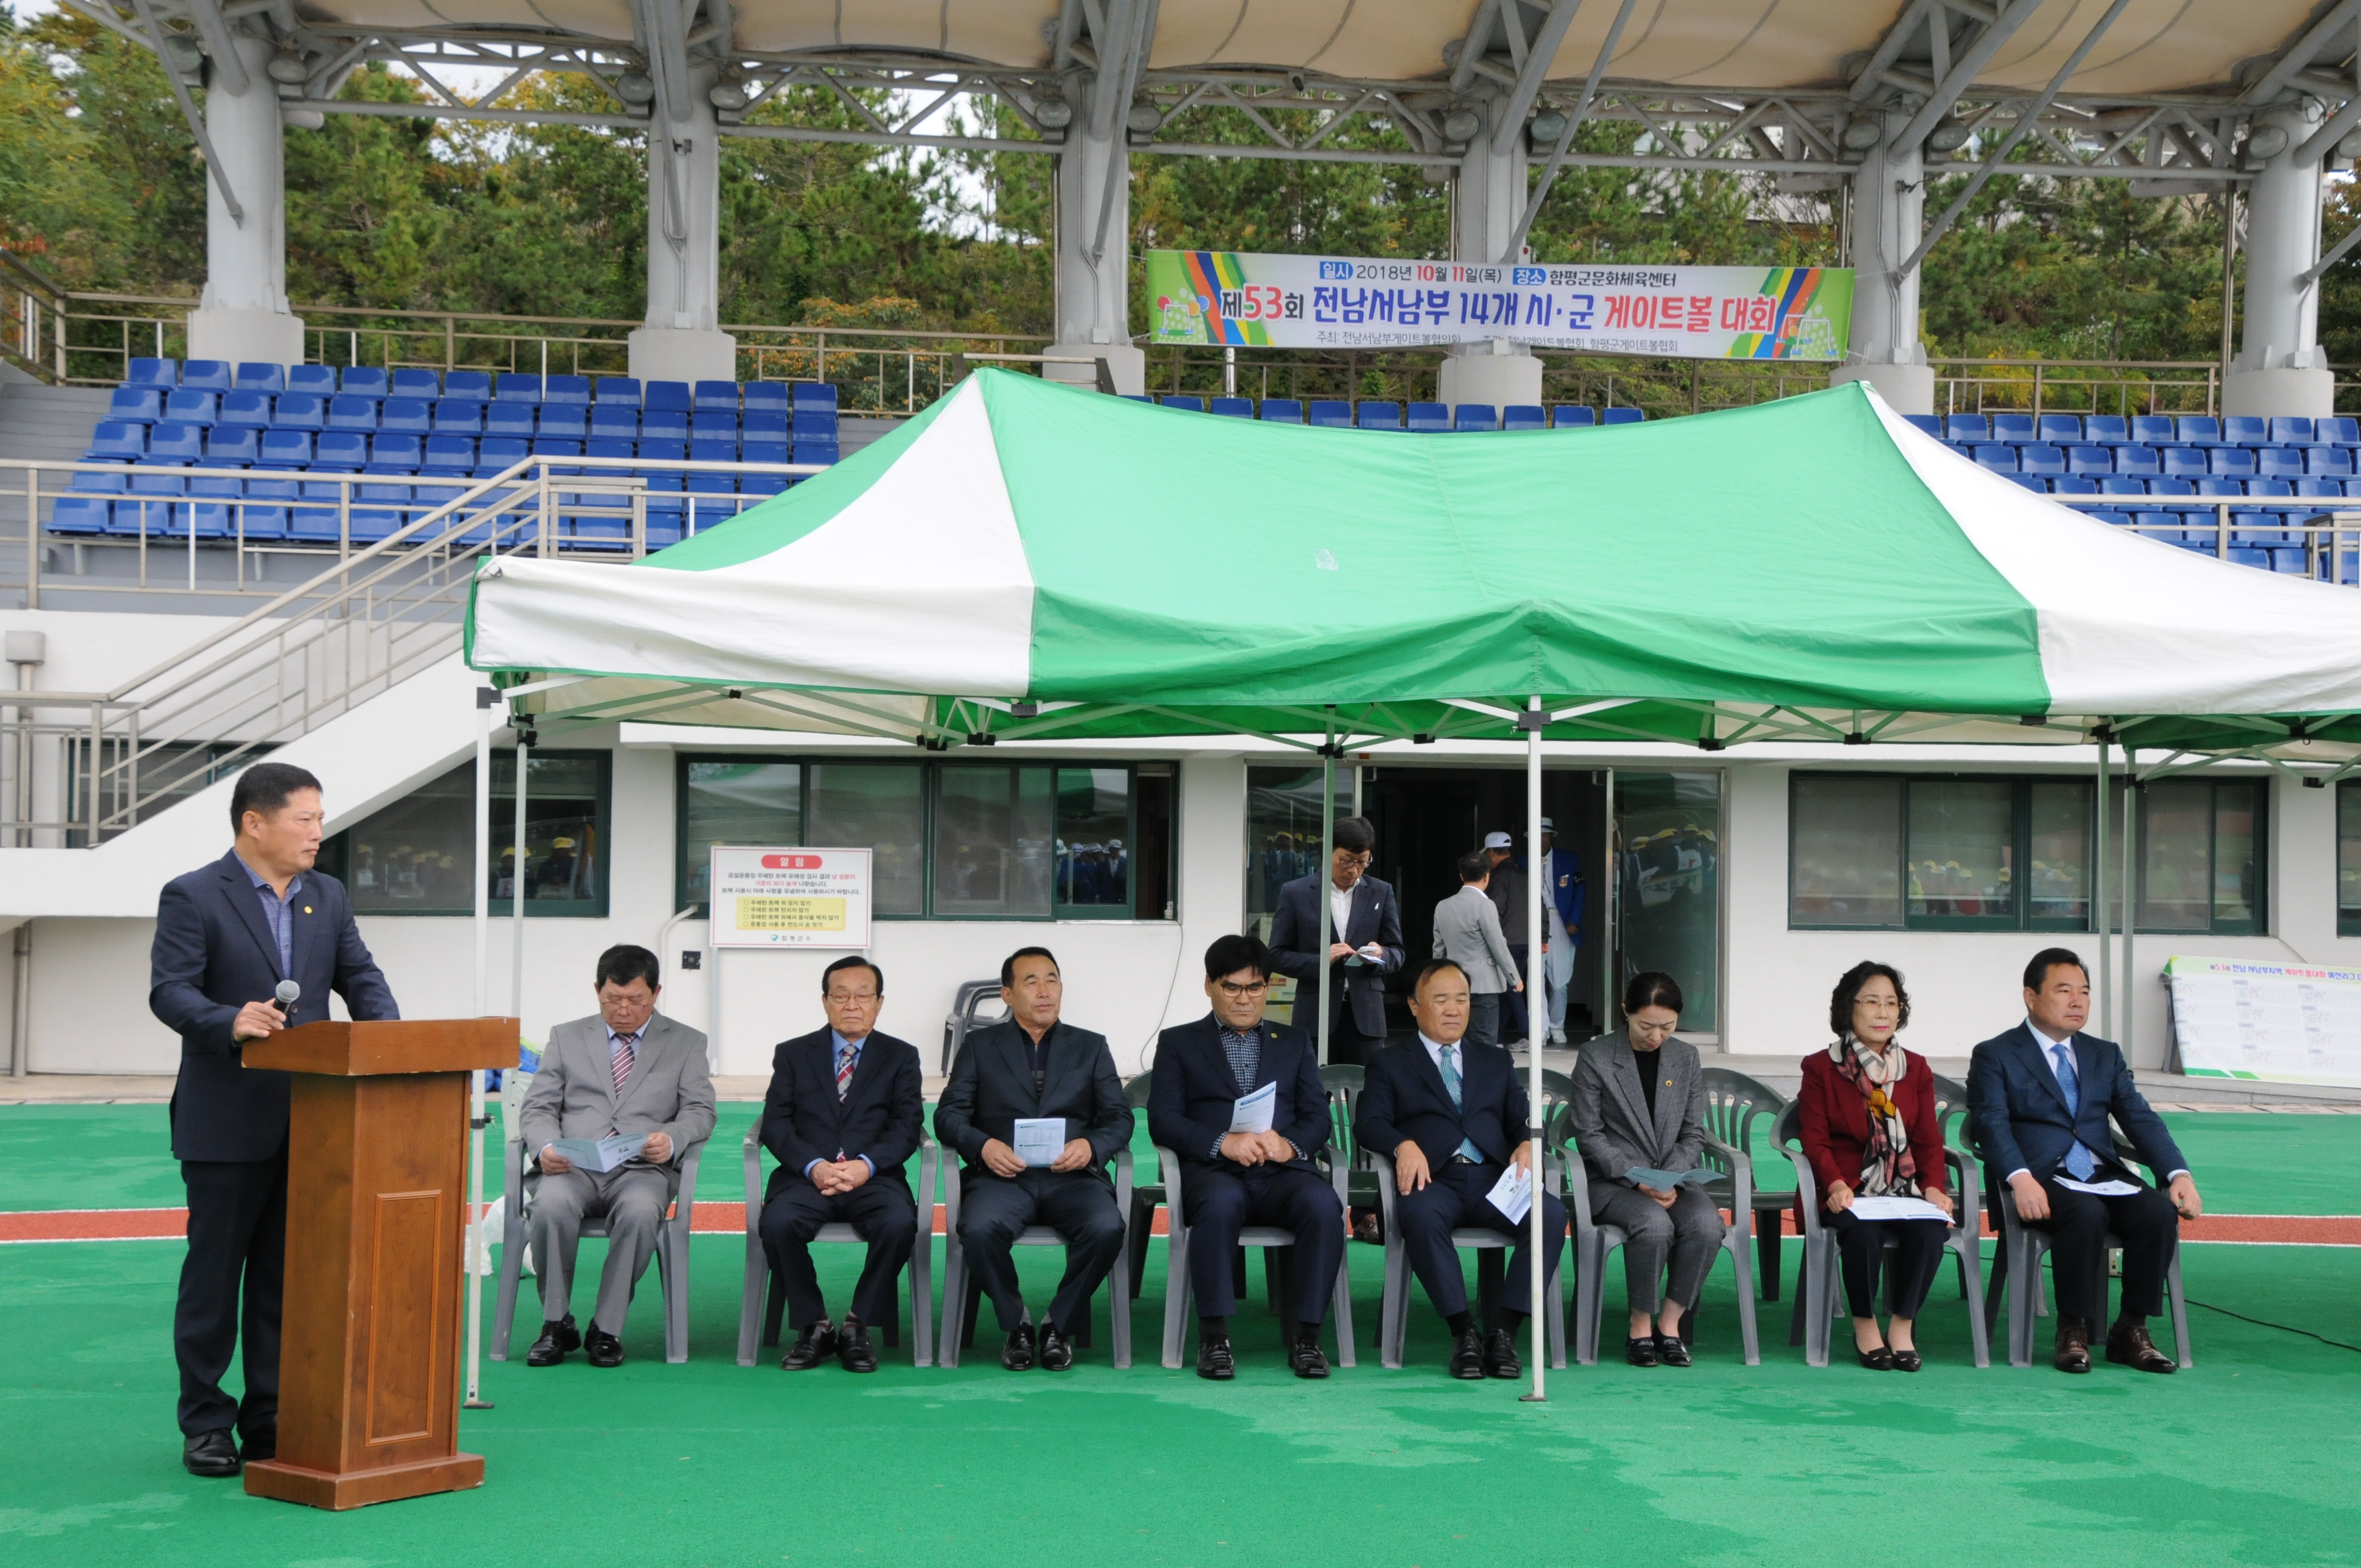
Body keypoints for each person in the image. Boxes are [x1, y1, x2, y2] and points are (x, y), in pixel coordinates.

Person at [149, 761, 399, 1478]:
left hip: (315, 1122)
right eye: (305, 819)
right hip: (226, 1121)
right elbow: (169, 991)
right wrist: (229, 1020)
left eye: (321, 819)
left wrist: (392, 1044)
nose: (319, 833)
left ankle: (269, 1418)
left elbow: (362, 980)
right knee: (213, 1279)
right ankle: (205, 1422)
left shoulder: (328, 894)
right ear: (255, 823)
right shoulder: (194, 894)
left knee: (285, 1282)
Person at [1968, 948, 2201, 1375]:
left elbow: (2139, 1118)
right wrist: (2019, 1179)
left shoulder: (2103, 1054)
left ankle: (2130, 1329)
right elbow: (1991, 1124)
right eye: (2064, 991)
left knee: (2156, 1210)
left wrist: (2176, 1173)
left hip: (2100, 1173)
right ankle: (2072, 1329)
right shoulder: (1996, 1053)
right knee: (2086, 1212)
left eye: (2085, 992)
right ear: (2031, 996)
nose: (2078, 1001)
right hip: (2039, 1178)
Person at [1354, 959, 1568, 1380]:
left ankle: (1504, 1333)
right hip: (1434, 1179)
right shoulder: (1390, 1062)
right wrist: (1403, 1144)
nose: (1454, 1009)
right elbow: (1369, 1122)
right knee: (1418, 1215)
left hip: (1494, 1178)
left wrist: (1527, 1141)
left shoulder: (1494, 1060)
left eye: (1463, 999)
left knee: (1550, 1213)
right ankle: (1463, 1332)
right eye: (1441, 999)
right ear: (1415, 1006)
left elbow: (1519, 1117)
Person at [1147, 933, 1343, 1380]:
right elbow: (1164, 1120)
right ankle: (1214, 1337)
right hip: (1215, 1171)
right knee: (1220, 1206)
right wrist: (1222, 1142)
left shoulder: (1293, 1042)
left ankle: (1307, 1336)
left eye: (1255, 987)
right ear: (1209, 986)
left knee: (1323, 1205)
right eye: (1231, 987)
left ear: (1269, 988)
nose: (1244, 998)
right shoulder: (1179, 1042)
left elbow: (1317, 1117)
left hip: (1283, 1170)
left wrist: (1287, 1144)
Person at [934, 947, 1133, 1371]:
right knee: (980, 1228)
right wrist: (985, 1146)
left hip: (1073, 1177)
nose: (1045, 992)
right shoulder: (980, 1046)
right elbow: (949, 1115)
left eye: (1052, 980)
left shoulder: (1090, 1047)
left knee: (1106, 1227)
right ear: (1007, 995)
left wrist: (1092, 1147)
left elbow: (1118, 1117)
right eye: (1031, 982)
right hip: (1004, 1178)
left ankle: (1058, 1324)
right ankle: (1017, 1324)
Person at [518, 944, 716, 1368]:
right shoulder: (566, 1037)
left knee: (643, 1212)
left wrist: (673, 1138)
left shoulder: (685, 1042)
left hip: (641, 1169)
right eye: (613, 1000)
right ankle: (556, 1323)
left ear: (656, 993)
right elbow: (538, 1107)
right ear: (597, 991)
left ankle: (606, 1329)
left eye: (636, 1001)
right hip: (574, 1165)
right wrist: (546, 1147)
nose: (624, 1010)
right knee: (549, 1206)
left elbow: (701, 1110)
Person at [757, 955, 924, 1374]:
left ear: (879, 1002)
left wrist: (866, 1165)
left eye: (863, 995)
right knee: (777, 1223)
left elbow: (908, 1127)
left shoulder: (901, 1056)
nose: (852, 1004)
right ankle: (814, 1324)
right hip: (806, 1177)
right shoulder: (793, 1054)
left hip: (874, 1178)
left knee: (899, 1223)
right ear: (825, 1001)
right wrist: (814, 1165)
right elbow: (776, 1124)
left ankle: (857, 1325)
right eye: (841, 995)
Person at [1797, 962, 1955, 1371]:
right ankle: (1865, 1324)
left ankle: (1902, 1325)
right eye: (1872, 1002)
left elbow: (1927, 1140)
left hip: (1903, 1190)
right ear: (1848, 1009)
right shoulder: (1821, 1067)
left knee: (1930, 1228)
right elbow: (1814, 1140)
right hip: (1847, 1187)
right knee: (1861, 1232)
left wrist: (1934, 1187)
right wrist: (1833, 1184)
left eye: (1892, 1003)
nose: (1884, 1013)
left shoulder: (1915, 1067)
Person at [1569, 972, 1726, 1368]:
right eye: (1646, 1026)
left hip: (1673, 1179)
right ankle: (1640, 1324)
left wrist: (1669, 1177)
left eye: (1667, 1027)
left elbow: (1693, 1133)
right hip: (1613, 1181)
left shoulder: (1685, 1057)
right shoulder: (1597, 1056)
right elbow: (1589, 1135)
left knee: (1707, 1225)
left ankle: (1670, 1324)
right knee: (1653, 1225)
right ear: (1626, 1012)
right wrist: (1638, 1178)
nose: (1656, 1036)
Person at [1268, 815, 1403, 1066]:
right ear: (1329, 851)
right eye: (1346, 861)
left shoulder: (1380, 892)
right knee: (1313, 1096)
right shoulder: (1295, 893)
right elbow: (1276, 954)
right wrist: (1322, 961)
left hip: (1367, 1017)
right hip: (1315, 1015)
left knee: (1370, 1094)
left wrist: (1380, 954)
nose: (1353, 870)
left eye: (1363, 863)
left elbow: (1397, 952)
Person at [1430, 851, 1522, 1048]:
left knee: (1458, 1040)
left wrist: (1437, 980)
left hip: (1454, 984)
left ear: (1462, 876)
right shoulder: (1485, 905)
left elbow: (1439, 950)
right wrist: (1514, 977)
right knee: (1484, 1041)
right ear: (1487, 876)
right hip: (1484, 985)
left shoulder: (1442, 906)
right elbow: (1497, 944)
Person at [1536, 818, 1585, 1045]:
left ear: (1551, 837)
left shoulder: (1568, 859)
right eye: (1537, 835)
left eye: (1545, 835)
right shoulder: (1524, 862)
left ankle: (1557, 1026)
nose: (1541, 839)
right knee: (1536, 979)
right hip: (1535, 922)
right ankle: (1541, 1030)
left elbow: (1579, 891)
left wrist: (1574, 919)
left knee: (1559, 982)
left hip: (1560, 921)